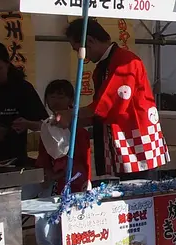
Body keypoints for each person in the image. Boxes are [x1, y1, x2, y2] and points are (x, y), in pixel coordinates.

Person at [65, 18, 168, 177]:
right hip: (122, 137)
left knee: (138, 194)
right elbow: (100, 109)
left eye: (77, 49)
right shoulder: (104, 65)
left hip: (136, 140)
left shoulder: (124, 61)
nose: (80, 55)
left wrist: (71, 115)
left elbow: (107, 105)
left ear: (90, 41)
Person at [36, 79, 90, 193]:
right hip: (54, 182)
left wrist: (62, 173)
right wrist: (47, 172)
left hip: (76, 180)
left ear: (71, 100)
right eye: (52, 97)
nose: (56, 101)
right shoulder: (47, 126)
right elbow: (43, 156)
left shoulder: (78, 128)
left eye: (60, 97)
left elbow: (82, 160)